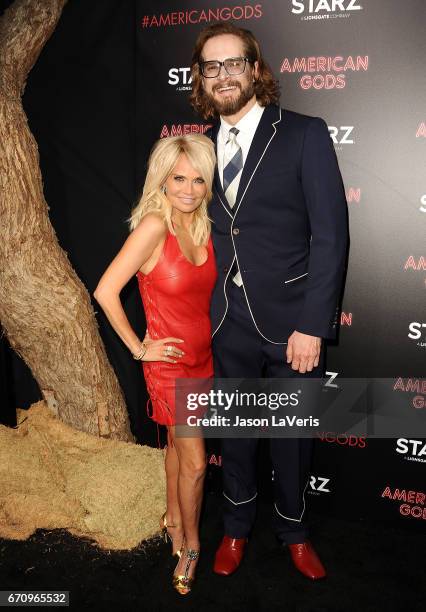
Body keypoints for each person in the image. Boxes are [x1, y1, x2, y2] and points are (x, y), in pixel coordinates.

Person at [189, 23, 348, 580]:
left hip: (291, 324)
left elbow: (330, 236)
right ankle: (234, 528)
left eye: (235, 63)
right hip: (225, 321)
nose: (224, 75)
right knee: (233, 436)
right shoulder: (198, 149)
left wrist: (313, 324)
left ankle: (294, 531)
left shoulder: (303, 133)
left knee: (291, 440)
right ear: (201, 80)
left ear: (256, 69)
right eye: (212, 67)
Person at [93, 134, 217, 595]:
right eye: (178, 178)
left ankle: (171, 515)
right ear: (162, 180)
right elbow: (106, 291)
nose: (188, 188)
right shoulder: (153, 227)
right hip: (169, 369)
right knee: (198, 463)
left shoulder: (200, 226)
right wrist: (140, 348)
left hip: (204, 362)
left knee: (175, 450)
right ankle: (190, 543)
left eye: (198, 179)